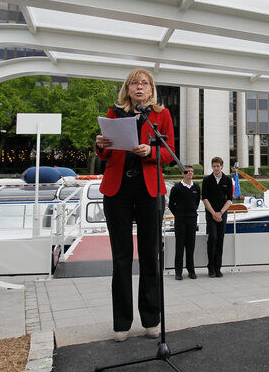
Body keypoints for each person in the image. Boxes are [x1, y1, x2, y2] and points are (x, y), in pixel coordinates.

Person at [94, 68, 175, 342]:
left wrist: (151, 151)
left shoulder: (161, 116)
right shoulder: (113, 113)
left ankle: (151, 319)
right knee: (121, 258)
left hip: (149, 190)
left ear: (151, 89)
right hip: (117, 191)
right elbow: (105, 153)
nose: (139, 87)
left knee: (150, 255)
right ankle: (121, 323)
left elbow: (168, 151)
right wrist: (100, 144)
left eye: (145, 83)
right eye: (134, 83)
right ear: (127, 89)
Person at [201, 156, 232, 278]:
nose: (216, 168)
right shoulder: (207, 180)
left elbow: (229, 199)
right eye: (214, 166)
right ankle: (211, 267)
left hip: (222, 213)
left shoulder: (227, 180)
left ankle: (218, 268)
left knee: (220, 239)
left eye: (218, 166)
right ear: (212, 167)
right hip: (210, 213)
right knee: (212, 238)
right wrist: (214, 213)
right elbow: (204, 198)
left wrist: (221, 213)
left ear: (222, 166)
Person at [168, 165, 201, 281]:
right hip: (180, 220)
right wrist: (178, 214)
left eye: (192, 171)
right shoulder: (177, 188)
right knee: (180, 246)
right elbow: (171, 204)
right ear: (183, 173)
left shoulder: (196, 187)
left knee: (191, 246)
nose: (190, 173)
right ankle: (178, 272)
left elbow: (196, 202)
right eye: (187, 171)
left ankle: (191, 270)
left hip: (192, 219)